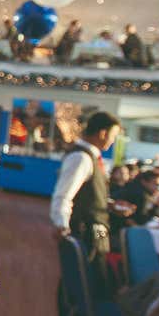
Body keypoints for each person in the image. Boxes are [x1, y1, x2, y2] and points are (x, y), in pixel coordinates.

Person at [50, 111, 131, 298]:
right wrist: (61, 225)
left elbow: (87, 194)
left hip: (97, 231)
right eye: (112, 136)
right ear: (102, 133)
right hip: (87, 231)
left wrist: (108, 204)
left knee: (91, 282)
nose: (112, 141)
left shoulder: (92, 158)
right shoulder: (81, 158)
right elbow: (63, 195)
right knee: (85, 285)